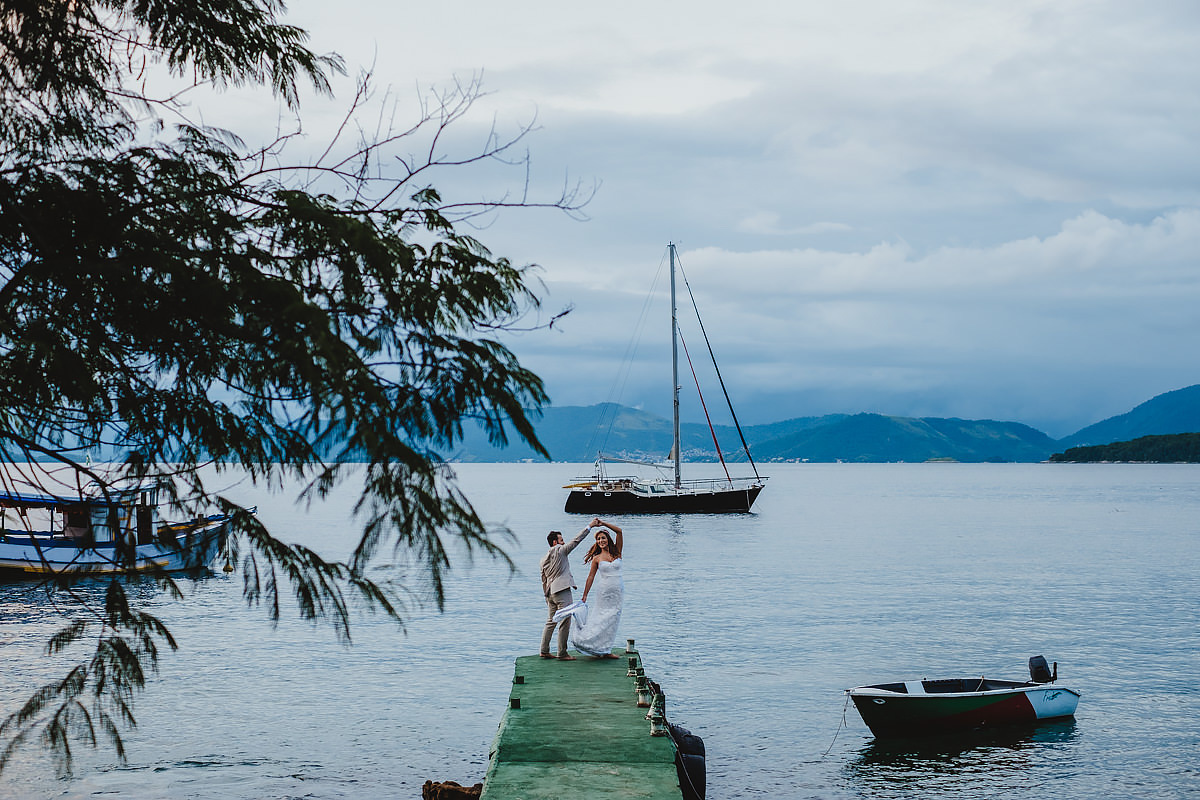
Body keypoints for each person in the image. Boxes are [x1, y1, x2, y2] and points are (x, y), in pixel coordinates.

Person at [556, 519, 624, 658]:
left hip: (618, 591)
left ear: (608, 539)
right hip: (603, 592)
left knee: (613, 619)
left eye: (603, 538)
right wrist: (585, 595)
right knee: (600, 618)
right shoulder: (597, 558)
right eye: (598, 539)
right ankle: (593, 645)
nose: (601, 541)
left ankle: (606, 649)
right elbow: (591, 577)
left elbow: (619, 531)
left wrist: (603, 524)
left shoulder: (617, 552)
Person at [539, 518, 599, 660]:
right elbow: (576, 541)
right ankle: (562, 653)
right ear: (555, 542)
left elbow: (543, 579)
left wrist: (546, 596)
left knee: (551, 621)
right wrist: (590, 526)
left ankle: (544, 650)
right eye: (561, 540)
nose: (563, 542)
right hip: (562, 591)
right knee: (565, 621)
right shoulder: (560, 551)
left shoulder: (543, 559)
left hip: (550, 593)